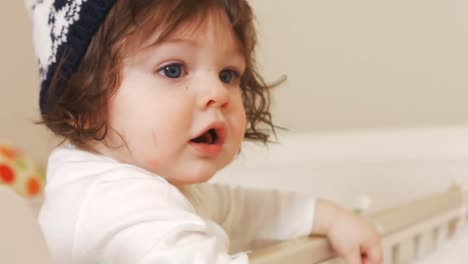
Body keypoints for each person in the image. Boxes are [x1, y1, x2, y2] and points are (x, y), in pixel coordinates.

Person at [25, 0, 383, 263]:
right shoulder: (115, 204)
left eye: (228, 74)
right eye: (173, 69)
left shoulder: (150, 182)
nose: (217, 93)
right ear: (84, 104)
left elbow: (242, 209)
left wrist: (330, 218)